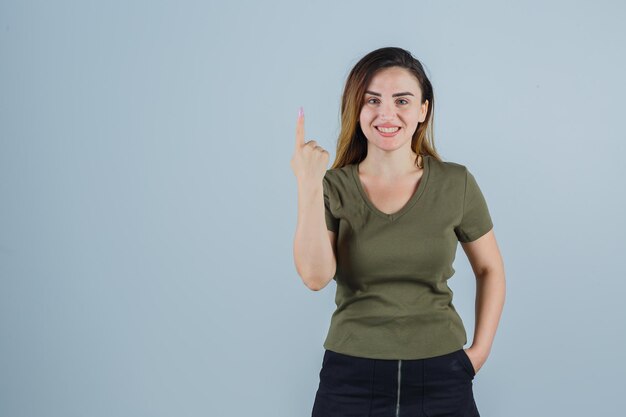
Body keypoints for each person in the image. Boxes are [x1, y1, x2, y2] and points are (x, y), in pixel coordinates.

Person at [291, 46, 506, 417]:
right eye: (372, 100)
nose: (386, 113)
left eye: (402, 100)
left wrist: (479, 354)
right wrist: (308, 184)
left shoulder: (456, 183)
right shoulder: (333, 186)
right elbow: (314, 277)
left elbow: (490, 269)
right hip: (350, 376)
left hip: (442, 373)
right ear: (356, 110)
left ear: (423, 110)